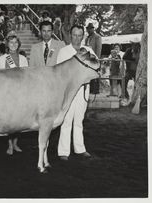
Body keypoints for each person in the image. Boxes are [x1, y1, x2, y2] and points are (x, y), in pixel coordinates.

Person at [57, 24, 97, 161]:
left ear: (83, 36)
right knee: (66, 120)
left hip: (83, 89)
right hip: (68, 90)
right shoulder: (63, 51)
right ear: (70, 35)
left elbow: (95, 68)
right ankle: (63, 151)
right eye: (74, 35)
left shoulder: (89, 50)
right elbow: (60, 73)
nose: (77, 38)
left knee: (79, 120)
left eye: (80, 35)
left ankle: (80, 148)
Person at [0, 31, 28, 155]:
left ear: (18, 44)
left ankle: (15, 143)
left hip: (20, 94)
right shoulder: (2, 59)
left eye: (15, 42)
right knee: (9, 122)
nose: (13, 45)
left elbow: (26, 77)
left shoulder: (23, 59)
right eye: (11, 42)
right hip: (6, 94)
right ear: (7, 44)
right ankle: (9, 145)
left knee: (19, 121)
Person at [85, 23, 102, 94]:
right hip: (88, 59)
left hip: (95, 58)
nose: (89, 30)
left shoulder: (97, 37)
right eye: (88, 29)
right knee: (89, 75)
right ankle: (90, 90)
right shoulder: (87, 38)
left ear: (93, 29)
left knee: (95, 74)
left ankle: (95, 90)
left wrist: (96, 58)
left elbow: (98, 48)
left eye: (90, 28)